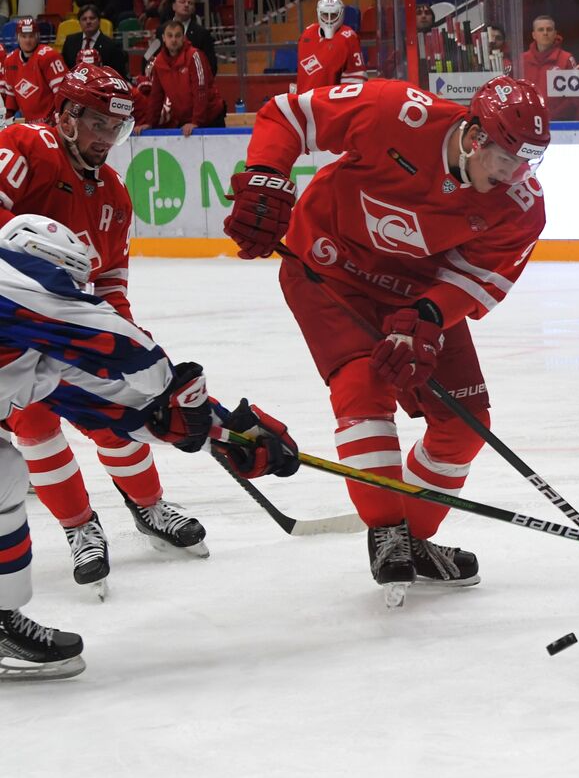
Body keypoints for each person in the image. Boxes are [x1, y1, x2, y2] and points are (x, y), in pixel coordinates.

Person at [222, 75, 552, 606]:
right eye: (508, 159)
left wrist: (428, 316)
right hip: (327, 265)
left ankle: (413, 538)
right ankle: (386, 529)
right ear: (473, 138)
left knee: (466, 424)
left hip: (413, 293)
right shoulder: (394, 110)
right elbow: (288, 114)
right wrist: (266, 177)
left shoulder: (520, 203)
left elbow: (477, 278)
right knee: (363, 386)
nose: (517, 175)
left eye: (528, 162)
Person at [0, 212, 298, 679]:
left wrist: (230, 432)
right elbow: (120, 343)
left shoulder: (25, 347)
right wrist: (171, 387)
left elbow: (115, 405)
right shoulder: (14, 280)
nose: (72, 294)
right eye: (65, 282)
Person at [0, 64, 227, 596]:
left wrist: (119, 339)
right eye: (99, 125)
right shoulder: (24, 146)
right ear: (68, 117)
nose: (107, 141)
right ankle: (80, 527)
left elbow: (109, 285)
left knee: (120, 419)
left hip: (73, 333)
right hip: (13, 333)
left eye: (116, 130)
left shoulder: (115, 196)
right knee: (35, 429)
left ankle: (149, 508)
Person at [137, 20, 225, 136]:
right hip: (185, 120)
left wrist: (196, 122)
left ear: (183, 38)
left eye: (177, 36)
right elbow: (156, 96)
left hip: (210, 118)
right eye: (170, 36)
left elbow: (201, 91)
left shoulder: (194, 56)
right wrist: (149, 123)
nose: (173, 40)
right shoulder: (159, 62)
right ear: (163, 38)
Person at [293, 0, 366, 95]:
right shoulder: (307, 35)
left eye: (333, 15)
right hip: (305, 101)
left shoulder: (349, 37)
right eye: (325, 15)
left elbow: (356, 79)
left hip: (330, 104)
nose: (329, 19)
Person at [2, 18, 67, 123]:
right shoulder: (10, 61)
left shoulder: (49, 56)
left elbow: (62, 92)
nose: (27, 40)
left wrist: (57, 118)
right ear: (18, 38)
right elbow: (11, 96)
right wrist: (8, 119)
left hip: (51, 122)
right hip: (29, 123)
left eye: (31, 36)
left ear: (37, 37)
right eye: (23, 36)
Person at [519, 14, 576, 120]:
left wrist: (552, 115)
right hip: (527, 121)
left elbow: (573, 96)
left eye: (549, 29)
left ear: (555, 34)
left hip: (557, 122)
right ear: (534, 35)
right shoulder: (522, 60)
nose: (545, 33)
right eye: (541, 30)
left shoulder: (566, 59)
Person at [160, 0, 218, 74]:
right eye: (182, 2)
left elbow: (211, 65)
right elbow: (150, 55)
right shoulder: (161, 29)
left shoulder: (202, 33)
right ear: (174, 6)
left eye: (190, 3)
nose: (186, 5)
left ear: (193, 9)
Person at [62, 6, 127, 74]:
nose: (88, 21)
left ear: (99, 21)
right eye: (84, 19)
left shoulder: (111, 45)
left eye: (92, 18)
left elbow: (117, 73)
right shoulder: (70, 41)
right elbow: (65, 69)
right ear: (79, 22)